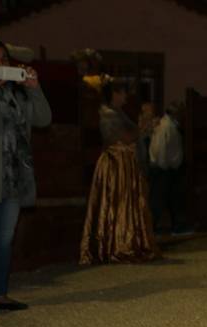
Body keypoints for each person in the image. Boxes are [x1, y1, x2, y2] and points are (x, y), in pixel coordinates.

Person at [0, 35, 50, 315]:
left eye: (3, 59)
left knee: (4, 240)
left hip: (14, 179)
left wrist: (34, 89)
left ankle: (0, 295)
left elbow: (44, 119)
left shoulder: (17, 94)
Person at [79, 80, 159, 264]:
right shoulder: (108, 115)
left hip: (124, 163)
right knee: (117, 204)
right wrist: (143, 126)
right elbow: (125, 137)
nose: (125, 97)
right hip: (116, 165)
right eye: (122, 93)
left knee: (124, 204)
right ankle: (115, 245)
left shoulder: (118, 113)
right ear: (114, 94)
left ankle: (123, 242)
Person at [149, 101, 191, 236]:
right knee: (159, 200)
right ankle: (151, 228)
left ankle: (175, 226)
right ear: (175, 113)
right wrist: (163, 166)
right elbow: (160, 149)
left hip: (168, 168)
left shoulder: (169, 125)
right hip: (164, 169)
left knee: (171, 198)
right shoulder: (166, 126)